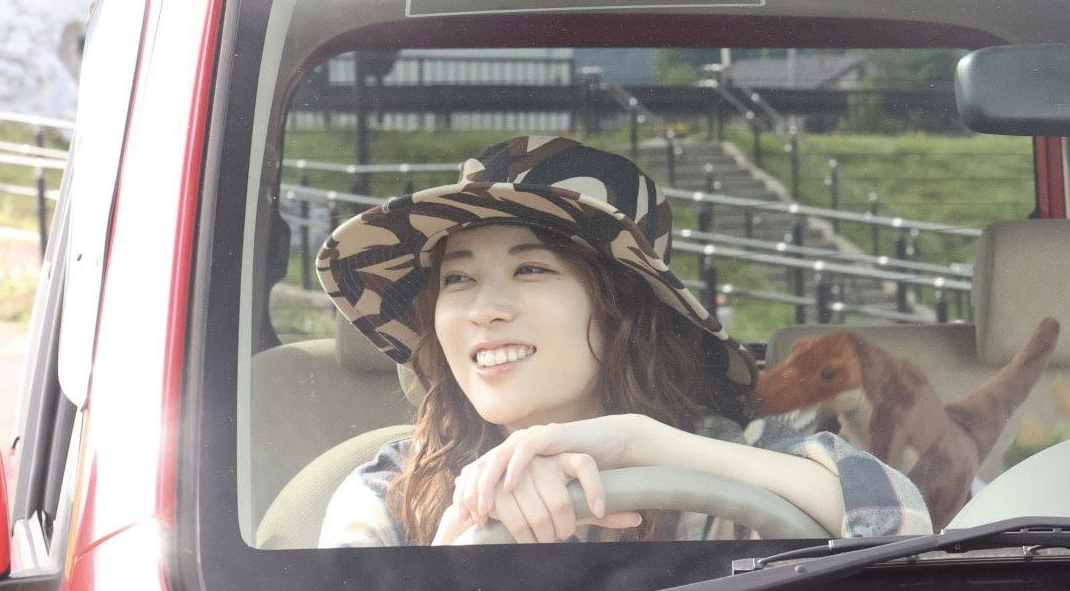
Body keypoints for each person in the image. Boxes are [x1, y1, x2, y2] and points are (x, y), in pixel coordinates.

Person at [313, 135, 930, 547]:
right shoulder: (398, 488)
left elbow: (901, 524)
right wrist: (454, 545)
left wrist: (643, 444)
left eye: (532, 269)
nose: (485, 310)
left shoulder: (738, 454)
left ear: (621, 312)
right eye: (457, 279)